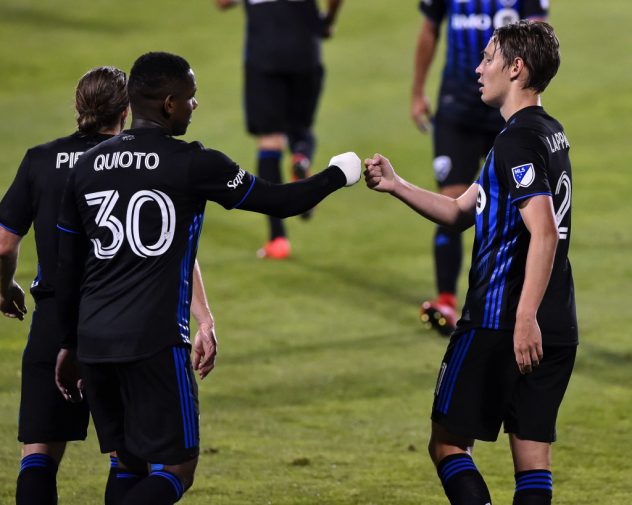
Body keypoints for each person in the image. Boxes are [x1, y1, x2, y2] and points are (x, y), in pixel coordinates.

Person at [54, 51, 360, 505]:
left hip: (94, 341)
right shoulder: (193, 162)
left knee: (127, 461)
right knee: (177, 468)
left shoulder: (85, 167)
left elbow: (68, 267)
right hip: (154, 343)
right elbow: (278, 201)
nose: (195, 107)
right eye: (191, 99)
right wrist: (340, 173)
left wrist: (69, 344)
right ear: (170, 103)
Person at [366, 21, 576, 505]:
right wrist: (398, 185)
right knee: (532, 461)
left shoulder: (515, 143)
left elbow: (543, 231)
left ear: (516, 68)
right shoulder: (547, 133)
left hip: (501, 321)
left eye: (488, 58)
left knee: (447, 444)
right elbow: (463, 211)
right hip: (558, 321)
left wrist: (523, 319)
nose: (477, 68)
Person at [0, 67, 129, 505]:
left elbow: (2, 245)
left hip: (54, 319)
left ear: (78, 107)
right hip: (121, 321)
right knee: (126, 454)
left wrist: (6, 287)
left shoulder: (40, 158)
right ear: (125, 113)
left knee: (38, 452)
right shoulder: (136, 162)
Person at [410, 0, 548, 335]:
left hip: (509, 106)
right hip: (457, 109)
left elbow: (539, 39)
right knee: (453, 197)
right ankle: (446, 299)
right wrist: (417, 91)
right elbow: (429, 29)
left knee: (522, 206)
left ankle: (522, 306)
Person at [216, 0, 344, 259]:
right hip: (305, 51)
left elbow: (222, 3)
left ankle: (278, 239)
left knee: (270, 141)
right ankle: (301, 156)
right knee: (301, 127)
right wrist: (327, 20)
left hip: (264, 56)